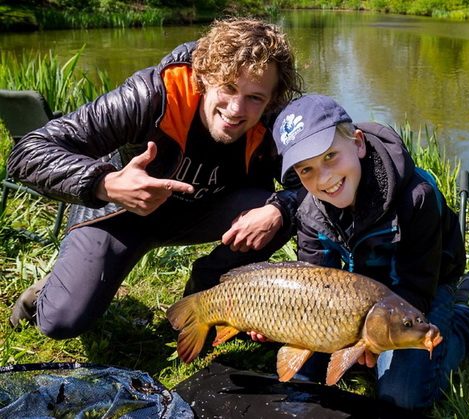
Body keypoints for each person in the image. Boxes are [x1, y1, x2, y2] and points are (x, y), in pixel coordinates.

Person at [7, 17, 304, 339]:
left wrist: (279, 209)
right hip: (120, 213)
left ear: (272, 99)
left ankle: (206, 296)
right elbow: (28, 152)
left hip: (201, 213)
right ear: (204, 77)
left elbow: (318, 183)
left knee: (279, 212)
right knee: (62, 321)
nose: (236, 109)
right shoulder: (151, 94)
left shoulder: (277, 120)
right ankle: (46, 291)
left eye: (255, 98)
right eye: (228, 88)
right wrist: (104, 183)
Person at [256, 94, 469, 411]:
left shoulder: (416, 198)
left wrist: (376, 339)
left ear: (359, 144)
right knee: (305, 375)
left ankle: (463, 316)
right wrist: (279, 321)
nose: (324, 178)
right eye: (306, 170)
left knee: (402, 396)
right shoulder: (310, 212)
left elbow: (417, 286)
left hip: (423, 289)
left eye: (331, 156)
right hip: (356, 299)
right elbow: (315, 286)